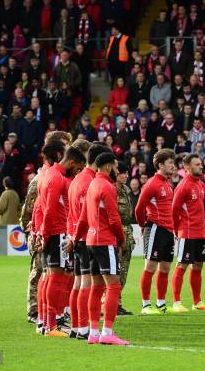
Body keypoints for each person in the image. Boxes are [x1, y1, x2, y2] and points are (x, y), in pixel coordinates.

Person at [73, 152, 129, 345]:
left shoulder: (92, 185)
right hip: (105, 240)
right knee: (113, 285)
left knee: (96, 287)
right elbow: (114, 219)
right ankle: (107, 333)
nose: (117, 170)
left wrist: (76, 237)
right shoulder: (107, 186)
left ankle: (94, 332)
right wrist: (121, 240)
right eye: (115, 167)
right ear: (108, 167)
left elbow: (83, 218)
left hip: (90, 241)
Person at [20, 131, 72, 325]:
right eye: (66, 146)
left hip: (50, 229)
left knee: (54, 273)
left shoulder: (58, 175)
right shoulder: (43, 176)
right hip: (42, 230)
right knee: (40, 271)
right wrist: (33, 232)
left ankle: (51, 312)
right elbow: (31, 207)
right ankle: (35, 311)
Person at [36, 145, 85, 337]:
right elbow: (49, 209)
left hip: (53, 231)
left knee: (50, 276)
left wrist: (41, 231)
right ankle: (50, 326)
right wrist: (46, 234)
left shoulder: (48, 174)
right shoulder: (56, 178)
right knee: (55, 277)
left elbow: (42, 206)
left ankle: (46, 322)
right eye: (78, 167)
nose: (79, 171)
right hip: (57, 232)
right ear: (72, 162)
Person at [66, 143, 110, 339]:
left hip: (78, 236)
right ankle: (83, 328)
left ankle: (77, 327)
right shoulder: (89, 182)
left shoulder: (77, 179)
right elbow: (88, 215)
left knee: (78, 283)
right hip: (87, 237)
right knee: (87, 284)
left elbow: (70, 214)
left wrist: (71, 236)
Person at [171, 153, 205, 312]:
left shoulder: (200, 184)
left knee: (198, 266)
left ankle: (197, 302)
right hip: (187, 233)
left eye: (200, 164)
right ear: (187, 168)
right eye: (197, 164)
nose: (201, 166)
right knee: (182, 265)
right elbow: (174, 210)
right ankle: (176, 302)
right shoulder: (183, 186)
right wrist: (177, 231)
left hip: (201, 233)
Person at [135, 149, 176, 314]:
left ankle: (161, 303)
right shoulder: (151, 184)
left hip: (168, 230)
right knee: (150, 267)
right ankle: (146, 305)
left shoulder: (168, 183)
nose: (173, 165)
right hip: (155, 228)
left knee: (165, 268)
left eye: (173, 162)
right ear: (160, 165)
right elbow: (139, 208)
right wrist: (143, 224)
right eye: (170, 162)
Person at [115, 161, 135, 315]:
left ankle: (117, 303)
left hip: (127, 232)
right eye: (123, 173)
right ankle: (110, 304)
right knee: (115, 271)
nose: (126, 176)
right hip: (117, 234)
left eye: (127, 173)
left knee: (123, 272)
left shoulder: (126, 190)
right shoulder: (112, 189)